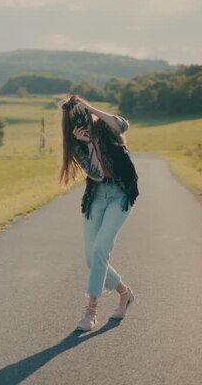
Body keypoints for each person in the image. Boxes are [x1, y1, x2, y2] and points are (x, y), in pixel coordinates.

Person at [58, 95, 139, 331]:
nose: (80, 122)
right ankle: (125, 294)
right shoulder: (76, 143)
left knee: (101, 248)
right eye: (74, 120)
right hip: (96, 197)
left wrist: (92, 110)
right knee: (91, 258)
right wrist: (89, 143)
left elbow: (123, 125)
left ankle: (90, 311)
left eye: (81, 115)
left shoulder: (105, 127)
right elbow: (95, 174)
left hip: (120, 195)